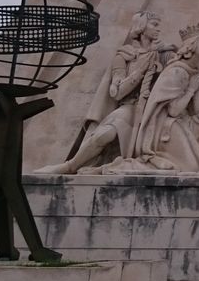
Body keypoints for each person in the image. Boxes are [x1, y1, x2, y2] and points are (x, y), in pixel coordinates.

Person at [36, 11, 174, 174]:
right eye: (154, 24)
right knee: (104, 135)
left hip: (155, 110)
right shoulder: (125, 55)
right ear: (142, 27)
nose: (158, 29)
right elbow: (118, 93)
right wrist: (141, 71)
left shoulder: (164, 54)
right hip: (131, 107)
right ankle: (71, 165)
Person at [131, 23, 199, 173]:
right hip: (166, 128)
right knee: (190, 167)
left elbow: (197, 111)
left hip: (187, 121)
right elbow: (174, 111)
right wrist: (191, 90)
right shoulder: (176, 72)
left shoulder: (193, 72)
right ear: (190, 48)